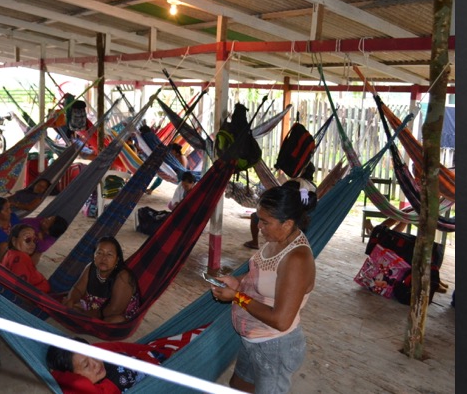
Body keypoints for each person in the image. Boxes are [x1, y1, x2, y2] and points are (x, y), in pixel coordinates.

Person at [210, 182, 317, 394]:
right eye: (259, 219)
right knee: (238, 386)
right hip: (252, 340)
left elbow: (281, 320)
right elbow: (261, 274)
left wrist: (237, 296)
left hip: (275, 347)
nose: (259, 226)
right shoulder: (275, 240)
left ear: (287, 224)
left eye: (265, 222)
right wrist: (237, 280)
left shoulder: (296, 259)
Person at [46, 325, 206, 394]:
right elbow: (70, 385)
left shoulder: (99, 351)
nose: (96, 363)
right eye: (87, 365)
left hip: (160, 356)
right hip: (169, 378)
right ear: (73, 375)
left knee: (205, 335)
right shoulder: (100, 390)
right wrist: (57, 374)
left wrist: (158, 352)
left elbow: (128, 347)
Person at [62, 236, 140, 323]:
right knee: (68, 302)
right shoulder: (91, 267)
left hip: (112, 314)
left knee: (116, 321)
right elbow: (78, 289)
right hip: (91, 308)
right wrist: (71, 300)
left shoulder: (123, 277)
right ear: (94, 255)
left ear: (117, 259)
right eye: (99, 253)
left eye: (109, 254)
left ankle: (86, 320)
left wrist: (88, 314)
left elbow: (114, 310)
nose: (103, 258)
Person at [244, 162, 317, 250]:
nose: (259, 225)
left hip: (284, 212)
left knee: (255, 217)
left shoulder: (295, 182)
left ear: (301, 171)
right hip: (298, 215)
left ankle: (254, 242)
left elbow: (280, 199)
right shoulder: (313, 187)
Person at [0, 223, 50, 293]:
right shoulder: (21, 258)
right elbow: (22, 290)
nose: (33, 244)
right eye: (27, 240)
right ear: (14, 241)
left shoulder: (10, 253)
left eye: (34, 240)